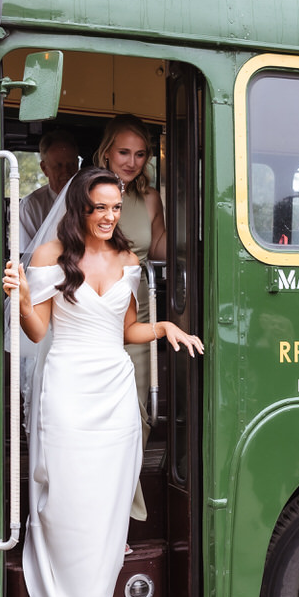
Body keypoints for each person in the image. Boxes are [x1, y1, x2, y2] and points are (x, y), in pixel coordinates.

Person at [2, 167, 204, 597]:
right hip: (67, 386)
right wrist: (24, 298)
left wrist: (164, 330)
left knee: (110, 505)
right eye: (100, 207)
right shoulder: (53, 255)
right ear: (80, 209)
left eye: (115, 207)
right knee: (68, 502)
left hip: (114, 392)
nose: (110, 216)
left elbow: (125, 330)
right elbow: (35, 333)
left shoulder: (128, 259)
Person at [93, 114, 168, 522]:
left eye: (141, 154)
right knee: (99, 406)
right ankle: (102, 506)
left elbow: (159, 249)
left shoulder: (152, 197)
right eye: (124, 152)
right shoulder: (87, 191)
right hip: (96, 307)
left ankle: (123, 505)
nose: (132, 161)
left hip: (139, 304)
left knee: (137, 409)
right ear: (107, 151)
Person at [20, 130, 80, 248]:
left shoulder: (90, 199)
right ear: (44, 168)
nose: (66, 172)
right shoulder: (30, 207)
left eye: (71, 165)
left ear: (78, 164)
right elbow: (25, 255)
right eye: (58, 166)